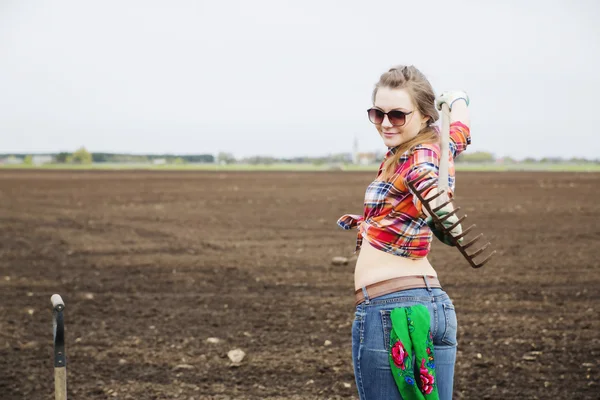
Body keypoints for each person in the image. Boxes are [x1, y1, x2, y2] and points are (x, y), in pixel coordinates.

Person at [337, 65, 471, 400]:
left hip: (392, 312)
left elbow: (424, 179)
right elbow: (460, 133)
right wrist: (459, 99)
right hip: (434, 307)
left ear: (426, 116)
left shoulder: (419, 157)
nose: (385, 123)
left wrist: (439, 209)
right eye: (377, 113)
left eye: (397, 115)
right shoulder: (438, 146)